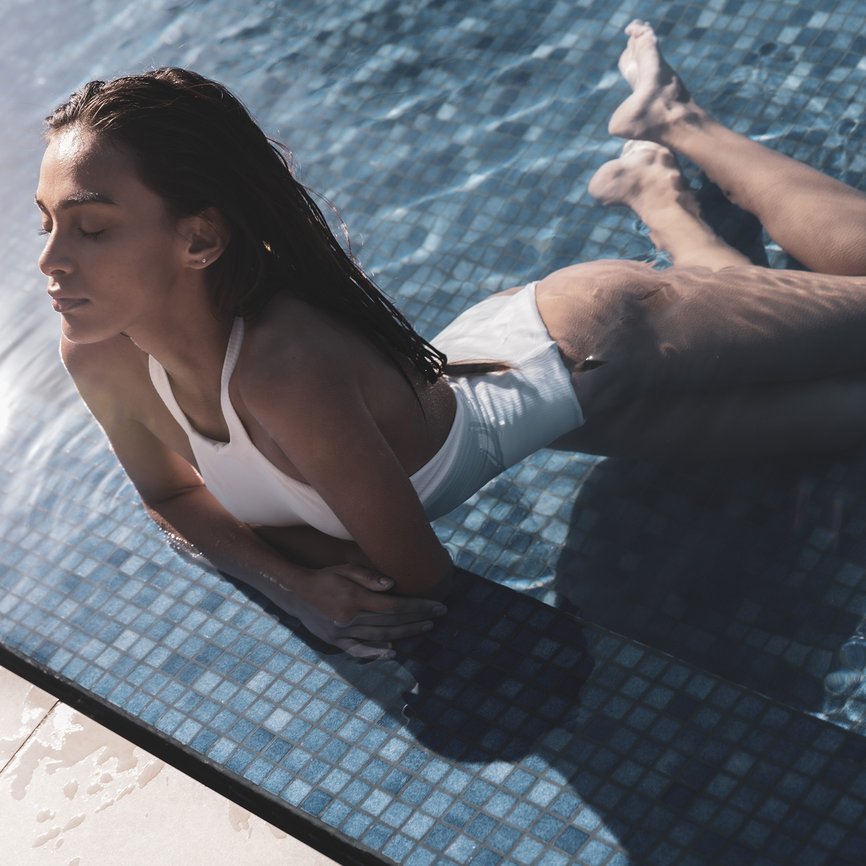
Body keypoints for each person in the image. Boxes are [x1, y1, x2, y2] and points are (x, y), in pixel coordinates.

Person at [36, 19, 866, 658]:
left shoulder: (283, 369)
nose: (50, 261)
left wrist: (304, 578)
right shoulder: (100, 351)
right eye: (45, 225)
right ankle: (662, 197)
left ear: (198, 240)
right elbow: (173, 497)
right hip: (532, 400)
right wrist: (294, 587)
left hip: (598, 338)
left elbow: (418, 580)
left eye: (91, 229)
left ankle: (680, 122)